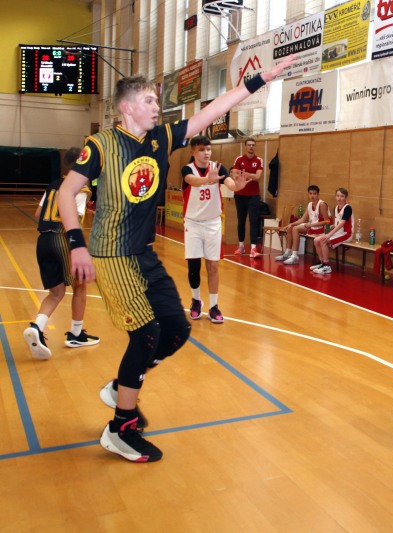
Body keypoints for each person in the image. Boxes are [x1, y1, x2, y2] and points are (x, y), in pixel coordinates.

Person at [56, 55, 296, 463]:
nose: (157, 106)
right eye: (149, 100)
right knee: (146, 334)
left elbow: (212, 111)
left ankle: (121, 387)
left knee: (176, 330)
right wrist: (77, 243)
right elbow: (66, 193)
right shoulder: (101, 145)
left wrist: (260, 80)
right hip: (112, 253)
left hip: (143, 253)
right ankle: (121, 427)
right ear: (127, 107)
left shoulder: (161, 138)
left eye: (157, 100)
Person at [23, 147, 100, 360]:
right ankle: (76, 334)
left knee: (56, 292)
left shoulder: (53, 184)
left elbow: (38, 213)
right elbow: (71, 218)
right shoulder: (80, 188)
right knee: (80, 285)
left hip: (43, 240)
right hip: (61, 238)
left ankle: (37, 327)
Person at [182, 135, 247, 324]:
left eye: (208, 149)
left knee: (213, 266)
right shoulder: (188, 169)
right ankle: (196, 301)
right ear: (193, 152)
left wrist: (237, 186)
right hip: (193, 223)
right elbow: (192, 181)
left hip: (212, 224)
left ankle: (213, 306)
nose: (206, 153)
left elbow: (229, 183)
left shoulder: (218, 168)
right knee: (194, 266)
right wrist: (206, 180)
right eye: (202, 149)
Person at [276, 185, 329, 265]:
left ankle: (294, 255)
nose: (312, 196)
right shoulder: (310, 204)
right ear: (308, 194)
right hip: (313, 227)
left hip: (321, 229)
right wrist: (291, 224)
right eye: (310, 193)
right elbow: (303, 219)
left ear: (318, 194)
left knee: (295, 229)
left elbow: (327, 221)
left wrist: (311, 225)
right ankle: (287, 252)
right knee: (291, 227)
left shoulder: (322, 204)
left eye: (314, 194)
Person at [232, 137, 264, 258]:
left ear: (255, 147)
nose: (251, 147)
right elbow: (235, 174)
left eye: (253, 145)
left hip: (253, 196)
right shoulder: (239, 159)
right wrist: (250, 175)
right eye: (249, 145)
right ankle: (241, 247)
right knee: (241, 221)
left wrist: (244, 173)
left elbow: (257, 177)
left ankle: (253, 248)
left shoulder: (259, 160)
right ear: (245, 146)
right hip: (240, 195)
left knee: (253, 221)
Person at [310, 187, 353, 274]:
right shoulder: (336, 207)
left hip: (346, 234)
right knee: (316, 240)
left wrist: (329, 235)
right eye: (338, 196)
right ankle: (322, 262)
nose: (339, 198)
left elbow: (342, 223)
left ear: (346, 197)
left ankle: (326, 266)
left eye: (342, 196)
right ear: (335, 196)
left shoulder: (348, 208)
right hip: (338, 232)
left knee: (323, 240)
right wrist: (331, 226)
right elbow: (338, 223)